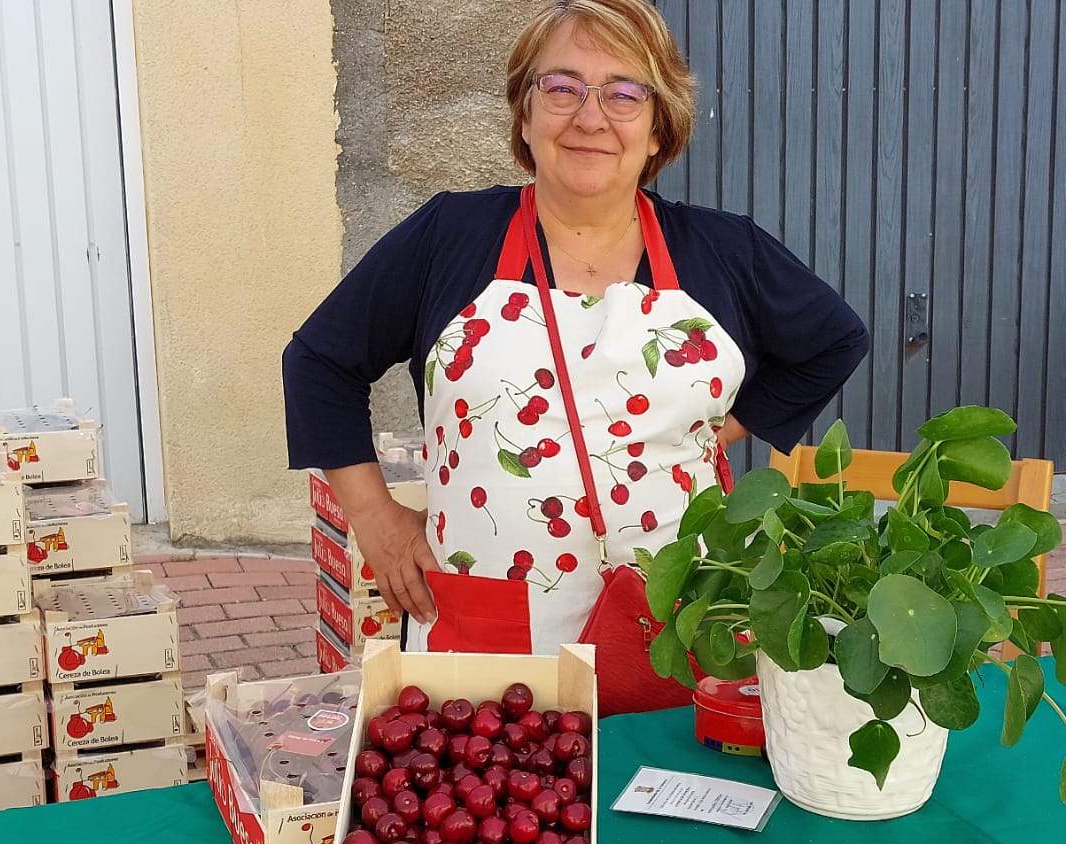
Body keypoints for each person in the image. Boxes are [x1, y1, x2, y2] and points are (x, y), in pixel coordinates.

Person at [283, 0, 867, 654]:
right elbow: (319, 362)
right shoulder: (450, 236)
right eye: (560, 88)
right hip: (484, 637)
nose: (590, 116)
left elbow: (834, 340)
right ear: (525, 116)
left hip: (671, 629)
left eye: (624, 93)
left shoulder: (724, 253)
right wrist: (374, 519)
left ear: (656, 129)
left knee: (656, 758)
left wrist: (725, 428)